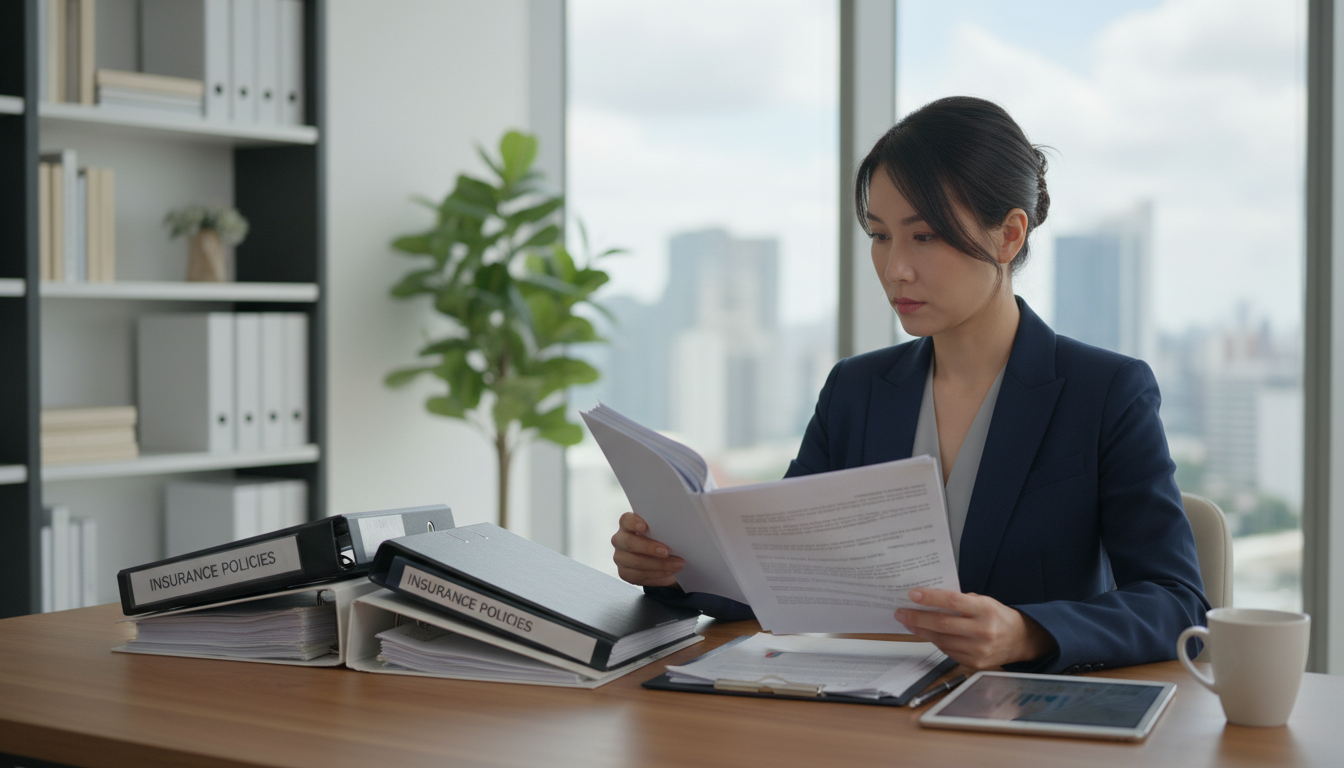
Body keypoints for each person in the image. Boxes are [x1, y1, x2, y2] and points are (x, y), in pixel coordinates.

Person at [610, 96, 1208, 674]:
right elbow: (776, 578)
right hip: (867, 713)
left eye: (924, 236)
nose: (896, 267)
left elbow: (1177, 602)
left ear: (1009, 235)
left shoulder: (1105, 393)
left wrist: (1026, 633)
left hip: (1023, 721)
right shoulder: (856, 391)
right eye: (879, 234)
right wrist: (676, 569)